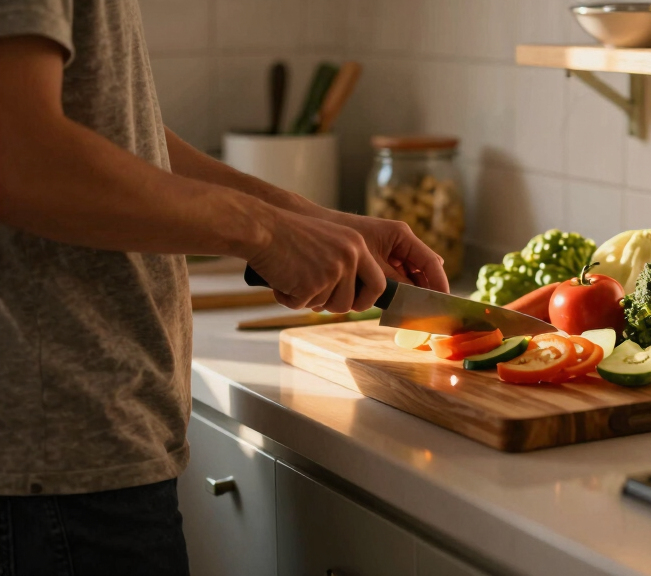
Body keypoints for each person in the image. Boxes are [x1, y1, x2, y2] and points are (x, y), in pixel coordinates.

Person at [0, 1, 449, 574]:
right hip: (53, 462)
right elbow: (21, 152)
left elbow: (117, 129)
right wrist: (266, 232)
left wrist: (303, 218)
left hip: (79, 450)